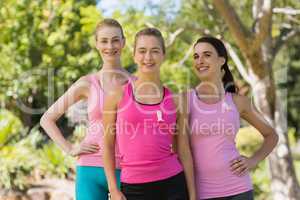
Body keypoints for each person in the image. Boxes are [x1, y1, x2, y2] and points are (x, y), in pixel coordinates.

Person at [40, 18, 131, 200]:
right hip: (90, 170)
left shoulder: (137, 84)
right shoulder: (87, 83)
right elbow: (47, 119)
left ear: (123, 42)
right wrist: (70, 148)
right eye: (104, 41)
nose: (110, 46)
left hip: (127, 169)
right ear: (97, 44)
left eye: (115, 40)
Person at [103, 27, 196, 200]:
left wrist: (193, 195)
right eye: (142, 51)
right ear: (134, 55)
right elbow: (107, 146)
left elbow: (183, 150)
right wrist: (113, 190)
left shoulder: (176, 100)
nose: (148, 57)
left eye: (154, 51)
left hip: (173, 184)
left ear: (163, 55)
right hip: (134, 187)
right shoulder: (117, 96)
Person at [187, 36, 278, 200]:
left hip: (238, 190)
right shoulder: (185, 100)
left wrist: (252, 161)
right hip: (201, 193)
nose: (200, 60)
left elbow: (272, 135)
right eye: (196, 56)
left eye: (207, 55)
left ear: (221, 60)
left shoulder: (238, 102)